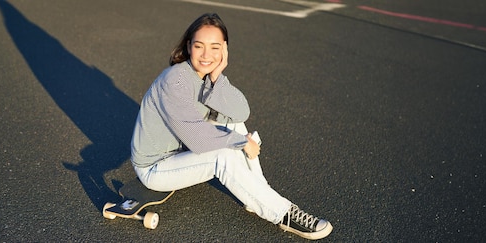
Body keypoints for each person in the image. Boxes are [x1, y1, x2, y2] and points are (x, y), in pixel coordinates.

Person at [129, 13, 333, 240]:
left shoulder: (205, 75)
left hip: (180, 150)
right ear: (189, 46)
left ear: (224, 49)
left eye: (215, 48)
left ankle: (259, 193)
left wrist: (218, 77)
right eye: (199, 46)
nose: (207, 55)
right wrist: (242, 142)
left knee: (233, 122)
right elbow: (197, 138)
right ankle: (283, 214)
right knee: (223, 156)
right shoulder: (175, 81)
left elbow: (240, 112)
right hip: (155, 167)